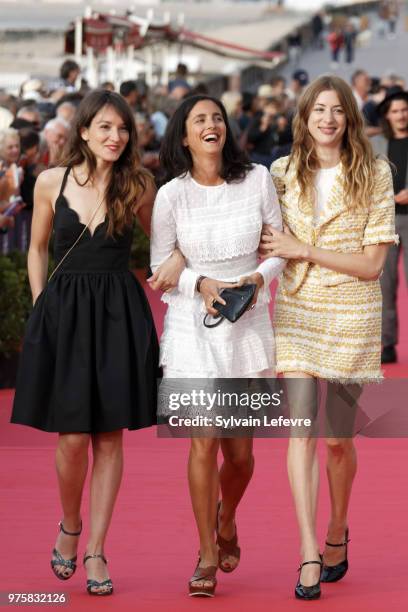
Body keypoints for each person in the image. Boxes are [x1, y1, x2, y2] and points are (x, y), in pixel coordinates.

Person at [11, 90, 160, 596]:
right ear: (83, 131)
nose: (114, 137)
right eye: (104, 128)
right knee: (71, 439)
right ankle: (69, 525)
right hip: (66, 315)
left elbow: (163, 246)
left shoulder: (139, 184)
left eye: (122, 129)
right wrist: (40, 306)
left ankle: (96, 548)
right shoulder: (50, 181)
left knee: (109, 438)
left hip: (118, 313)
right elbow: (35, 248)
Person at [261, 75, 396, 600]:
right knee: (302, 433)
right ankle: (308, 550)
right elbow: (261, 236)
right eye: (319, 109)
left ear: (350, 118)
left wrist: (304, 249)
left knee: (338, 440)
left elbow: (371, 264)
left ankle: (338, 526)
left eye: (338, 110)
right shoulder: (281, 172)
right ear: (304, 115)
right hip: (294, 312)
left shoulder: (374, 172)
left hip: (351, 316)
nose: (328, 119)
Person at [149, 94, 285, 597]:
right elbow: (161, 269)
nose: (211, 125)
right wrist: (201, 285)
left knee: (242, 457)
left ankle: (227, 518)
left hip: (248, 328)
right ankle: (207, 549)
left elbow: (280, 248)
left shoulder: (257, 179)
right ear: (184, 136)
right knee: (203, 442)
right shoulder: (171, 195)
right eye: (199, 120)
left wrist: (256, 277)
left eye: (217, 118)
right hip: (191, 327)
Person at [371, 88, 408, 363]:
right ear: (386, 115)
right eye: (395, 111)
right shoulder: (377, 145)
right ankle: (387, 343)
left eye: (404, 110)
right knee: (386, 284)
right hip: (387, 220)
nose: (401, 115)